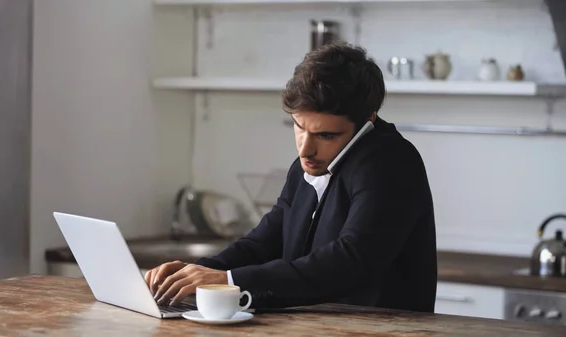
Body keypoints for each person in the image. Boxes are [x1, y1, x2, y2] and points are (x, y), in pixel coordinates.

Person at [144, 42, 437, 313]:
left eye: (326, 135)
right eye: (299, 127)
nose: (306, 149)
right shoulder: (307, 165)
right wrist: (193, 271)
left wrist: (228, 279)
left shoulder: (390, 162)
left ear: (368, 120)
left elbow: (351, 261)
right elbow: (264, 242)